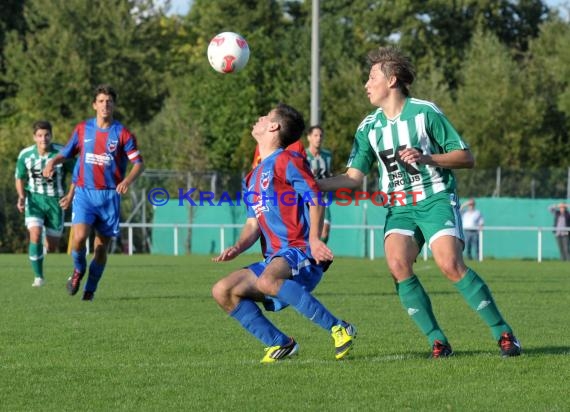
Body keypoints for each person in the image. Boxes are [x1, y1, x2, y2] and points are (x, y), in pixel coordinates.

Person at [318, 46, 521, 358]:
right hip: (399, 207)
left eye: (372, 77)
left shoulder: (425, 112)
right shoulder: (368, 127)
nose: (366, 84)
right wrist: (313, 184)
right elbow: (353, 178)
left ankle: (503, 333)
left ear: (392, 80)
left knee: (449, 264)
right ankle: (437, 340)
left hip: (436, 198)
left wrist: (427, 157)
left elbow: (466, 157)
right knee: (397, 264)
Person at [212, 103, 356, 363]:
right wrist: (237, 247)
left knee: (267, 281)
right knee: (223, 290)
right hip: (275, 257)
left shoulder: (288, 161)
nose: (259, 118)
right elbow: (252, 224)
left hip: (299, 249)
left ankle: (340, 327)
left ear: (274, 126)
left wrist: (314, 240)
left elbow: (315, 198)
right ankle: (280, 344)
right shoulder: (252, 177)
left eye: (265, 116)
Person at [43, 84, 144, 301]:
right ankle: (78, 270)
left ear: (114, 105)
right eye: (101, 101)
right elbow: (67, 153)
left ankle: (90, 290)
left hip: (109, 197)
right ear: (94, 105)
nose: (105, 105)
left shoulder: (123, 133)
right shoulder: (83, 129)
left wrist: (127, 180)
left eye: (109, 101)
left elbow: (138, 163)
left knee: (100, 248)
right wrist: (52, 161)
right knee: (78, 238)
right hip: (85, 194)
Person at [15, 120, 74, 287]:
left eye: (46, 135)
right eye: (39, 135)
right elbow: (19, 177)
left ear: (51, 135)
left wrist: (70, 195)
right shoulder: (25, 154)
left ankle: (43, 250)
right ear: (34, 137)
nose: (43, 139)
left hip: (56, 202)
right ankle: (38, 277)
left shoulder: (62, 153)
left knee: (52, 245)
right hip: (34, 199)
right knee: (35, 233)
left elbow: (78, 174)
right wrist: (21, 196)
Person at [305, 125, 333, 243]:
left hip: (324, 199)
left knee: (325, 231)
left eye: (321, 135)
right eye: (315, 135)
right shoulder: (303, 155)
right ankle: (308, 258)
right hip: (307, 199)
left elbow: (329, 174)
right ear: (309, 137)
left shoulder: (327, 156)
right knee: (308, 232)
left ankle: (318, 260)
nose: (318, 138)